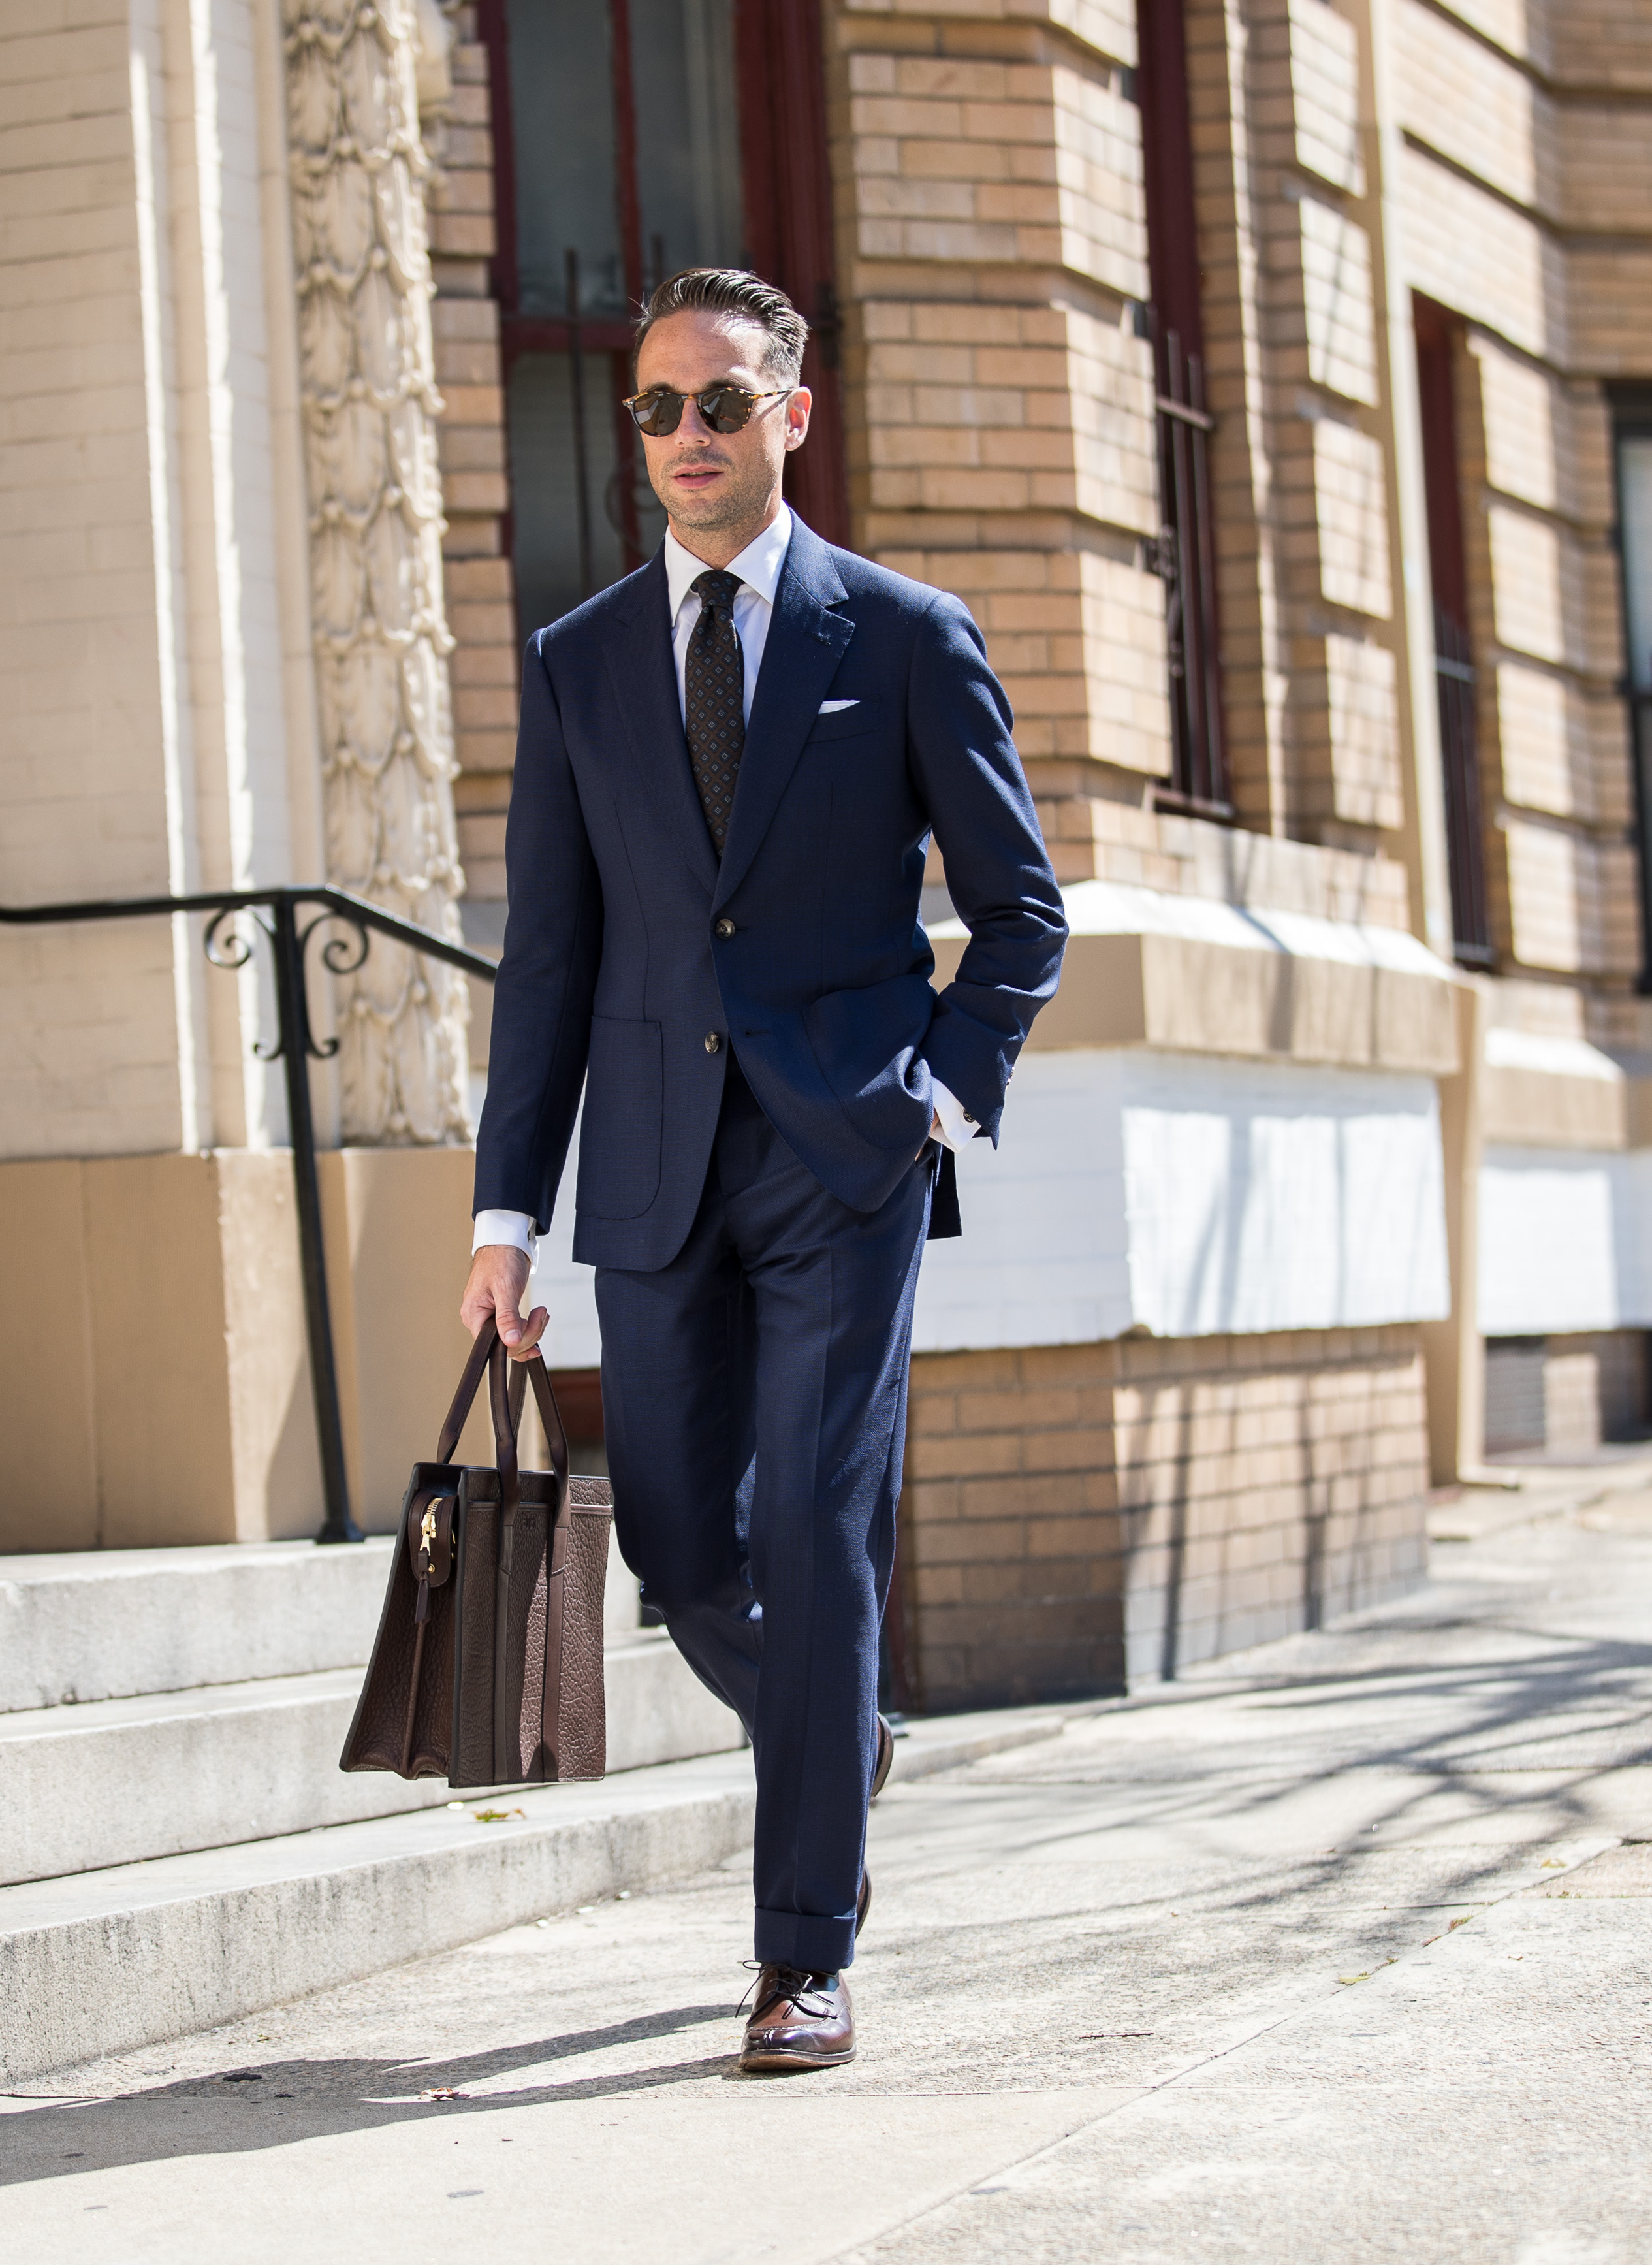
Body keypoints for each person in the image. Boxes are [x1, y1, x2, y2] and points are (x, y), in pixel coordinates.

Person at [460, 268, 1067, 2073]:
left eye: (722, 402)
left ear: (792, 415)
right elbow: (549, 963)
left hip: (843, 1162)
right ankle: (838, 1719)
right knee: (671, 1543)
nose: (688, 437)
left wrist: (939, 1103)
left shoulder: (897, 633)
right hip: (648, 1175)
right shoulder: (575, 665)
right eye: (657, 407)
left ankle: (804, 1948)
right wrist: (505, 1216)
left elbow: (1019, 911)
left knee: (813, 1530)